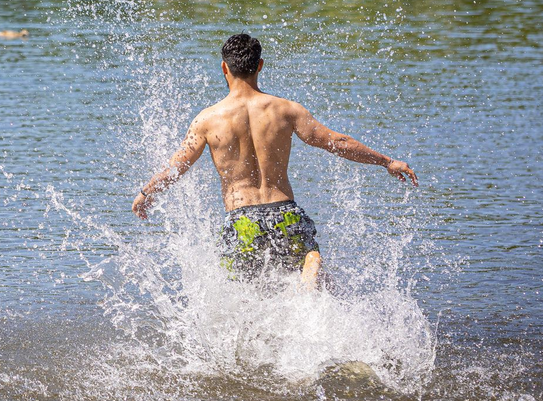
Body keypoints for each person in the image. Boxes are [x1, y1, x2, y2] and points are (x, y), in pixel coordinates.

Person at [132, 34, 417, 290]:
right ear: (260, 66)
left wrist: (147, 193)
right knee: (312, 271)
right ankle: (310, 269)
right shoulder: (286, 110)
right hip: (285, 215)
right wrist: (386, 161)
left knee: (245, 294)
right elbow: (336, 142)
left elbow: (176, 167)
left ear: (224, 68)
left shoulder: (207, 120)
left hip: (241, 220)